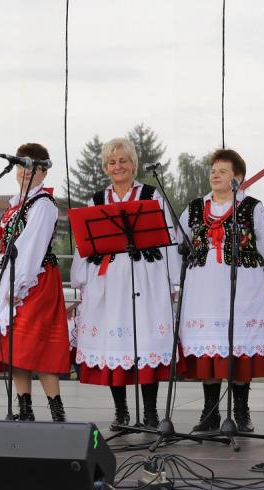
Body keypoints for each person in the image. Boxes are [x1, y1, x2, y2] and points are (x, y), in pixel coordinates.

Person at [70, 137, 182, 430]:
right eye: (112, 162)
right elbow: (83, 243)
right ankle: (121, 412)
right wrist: (80, 279)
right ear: (105, 167)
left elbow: (169, 238)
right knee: (113, 344)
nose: (118, 166)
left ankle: (150, 413)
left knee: (146, 343)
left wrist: (172, 280)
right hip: (108, 281)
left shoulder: (151, 196)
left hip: (145, 276)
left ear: (133, 164)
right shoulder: (96, 200)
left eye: (123, 160)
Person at [179, 149, 264, 433]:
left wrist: (253, 276)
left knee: (239, 350)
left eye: (222, 171)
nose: (215, 175)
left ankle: (241, 412)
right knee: (209, 352)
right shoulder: (195, 208)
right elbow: (180, 245)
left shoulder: (253, 208)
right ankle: (210, 412)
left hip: (242, 291)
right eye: (213, 171)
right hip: (204, 293)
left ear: (238, 177)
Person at [0, 142, 70, 422]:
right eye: (21, 166)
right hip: (15, 277)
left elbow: (31, 248)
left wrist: (17, 285)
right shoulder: (16, 204)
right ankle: (25, 409)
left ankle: (57, 412)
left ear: (44, 172)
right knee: (16, 346)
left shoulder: (42, 204)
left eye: (31, 167)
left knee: (37, 345)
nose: (25, 171)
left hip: (36, 280)